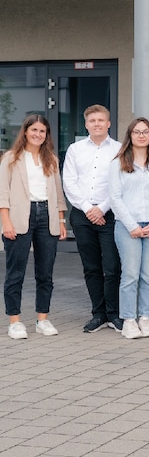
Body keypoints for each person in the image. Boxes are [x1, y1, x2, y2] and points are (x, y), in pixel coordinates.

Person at [0, 115, 67, 340]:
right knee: (15, 272)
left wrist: (60, 220)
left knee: (45, 273)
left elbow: (58, 193)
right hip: (20, 217)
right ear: (25, 131)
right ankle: (15, 321)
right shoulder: (11, 158)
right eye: (34, 130)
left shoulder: (52, 160)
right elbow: (3, 193)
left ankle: (43, 319)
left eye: (42, 131)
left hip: (45, 217)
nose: (38, 135)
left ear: (46, 135)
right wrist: (6, 222)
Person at [62, 105, 123, 333]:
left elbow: (120, 182)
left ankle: (114, 314)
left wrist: (102, 208)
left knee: (112, 266)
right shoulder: (75, 149)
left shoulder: (119, 149)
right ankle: (98, 314)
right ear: (86, 124)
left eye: (101, 120)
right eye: (92, 120)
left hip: (110, 213)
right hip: (82, 214)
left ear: (108, 123)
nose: (97, 124)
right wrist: (89, 208)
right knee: (91, 267)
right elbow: (69, 182)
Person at [109, 118, 149, 340]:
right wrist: (132, 226)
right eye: (136, 132)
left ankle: (144, 318)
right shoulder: (117, 163)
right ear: (130, 135)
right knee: (131, 275)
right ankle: (129, 320)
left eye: (146, 132)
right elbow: (114, 198)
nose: (141, 135)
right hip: (127, 226)